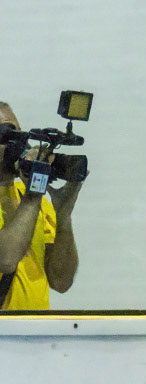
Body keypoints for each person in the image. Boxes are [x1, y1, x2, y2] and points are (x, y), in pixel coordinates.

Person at [0, 102, 85, 310]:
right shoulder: (32, 199)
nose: (17, 144)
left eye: (19, 134)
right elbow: (6, 260)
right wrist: (34, 195)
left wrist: (63, 217)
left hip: (38, 328)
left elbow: (61, 281)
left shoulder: (32, 198)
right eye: (6, 135)